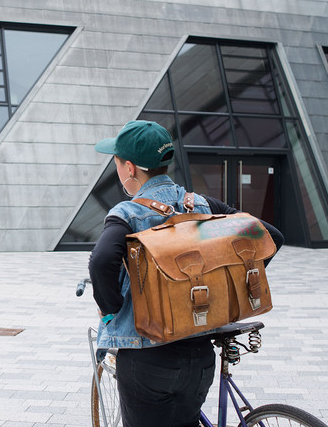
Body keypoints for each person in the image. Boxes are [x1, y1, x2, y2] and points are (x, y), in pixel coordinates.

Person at [88, 120, 283, 427]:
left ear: (129, 168)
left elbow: (101, 262)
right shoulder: (202, 205)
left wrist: (110, 311)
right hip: (201, 356)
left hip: (148, 358)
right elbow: (271, 235)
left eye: (116, 163)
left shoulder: (128, 213)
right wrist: (229, 283)